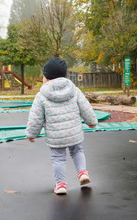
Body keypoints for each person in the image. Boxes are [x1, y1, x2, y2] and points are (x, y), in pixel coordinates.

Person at [25, 57, 98, 195]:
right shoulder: (74, 90)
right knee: (77, 151)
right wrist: (92, 121)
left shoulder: (41, 95)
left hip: (56, 136)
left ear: (46, 78)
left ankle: (61, 185)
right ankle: (82, 173)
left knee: (58, 158)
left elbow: (36, 117)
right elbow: (85, 108)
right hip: (74, 133)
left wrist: (31, 133)